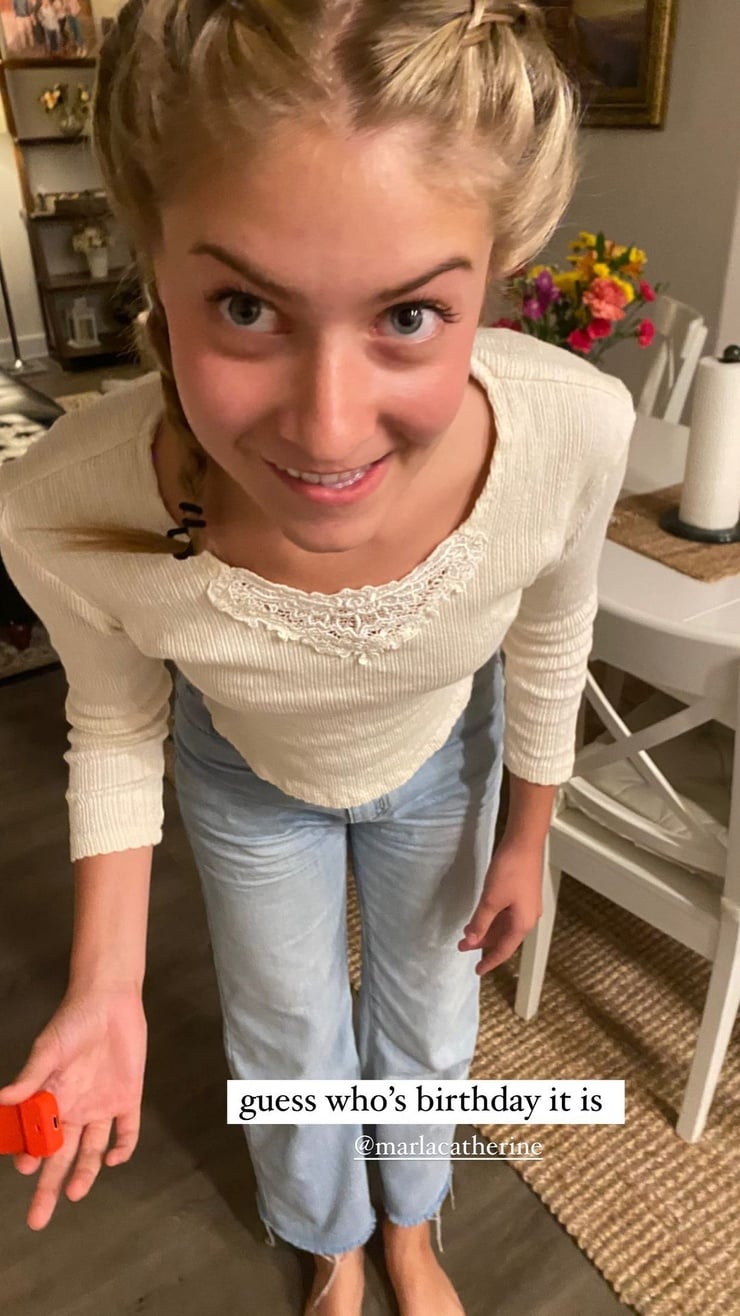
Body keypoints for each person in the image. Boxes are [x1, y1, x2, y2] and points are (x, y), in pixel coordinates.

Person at [0, 1, 635, 1313]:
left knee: (432, 1020)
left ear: (495, 275)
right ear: (150, 257)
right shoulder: (62, 505)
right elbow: (113, 722)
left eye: (411, 314)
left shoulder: (572, 432)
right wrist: (108, 982)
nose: (329, 430)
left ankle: (412, 1223)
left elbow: (550, 635)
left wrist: (527, 836)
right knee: (288, 1039)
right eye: (245, 307)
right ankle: (332, 1240)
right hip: (246, 783)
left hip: (447, 763)